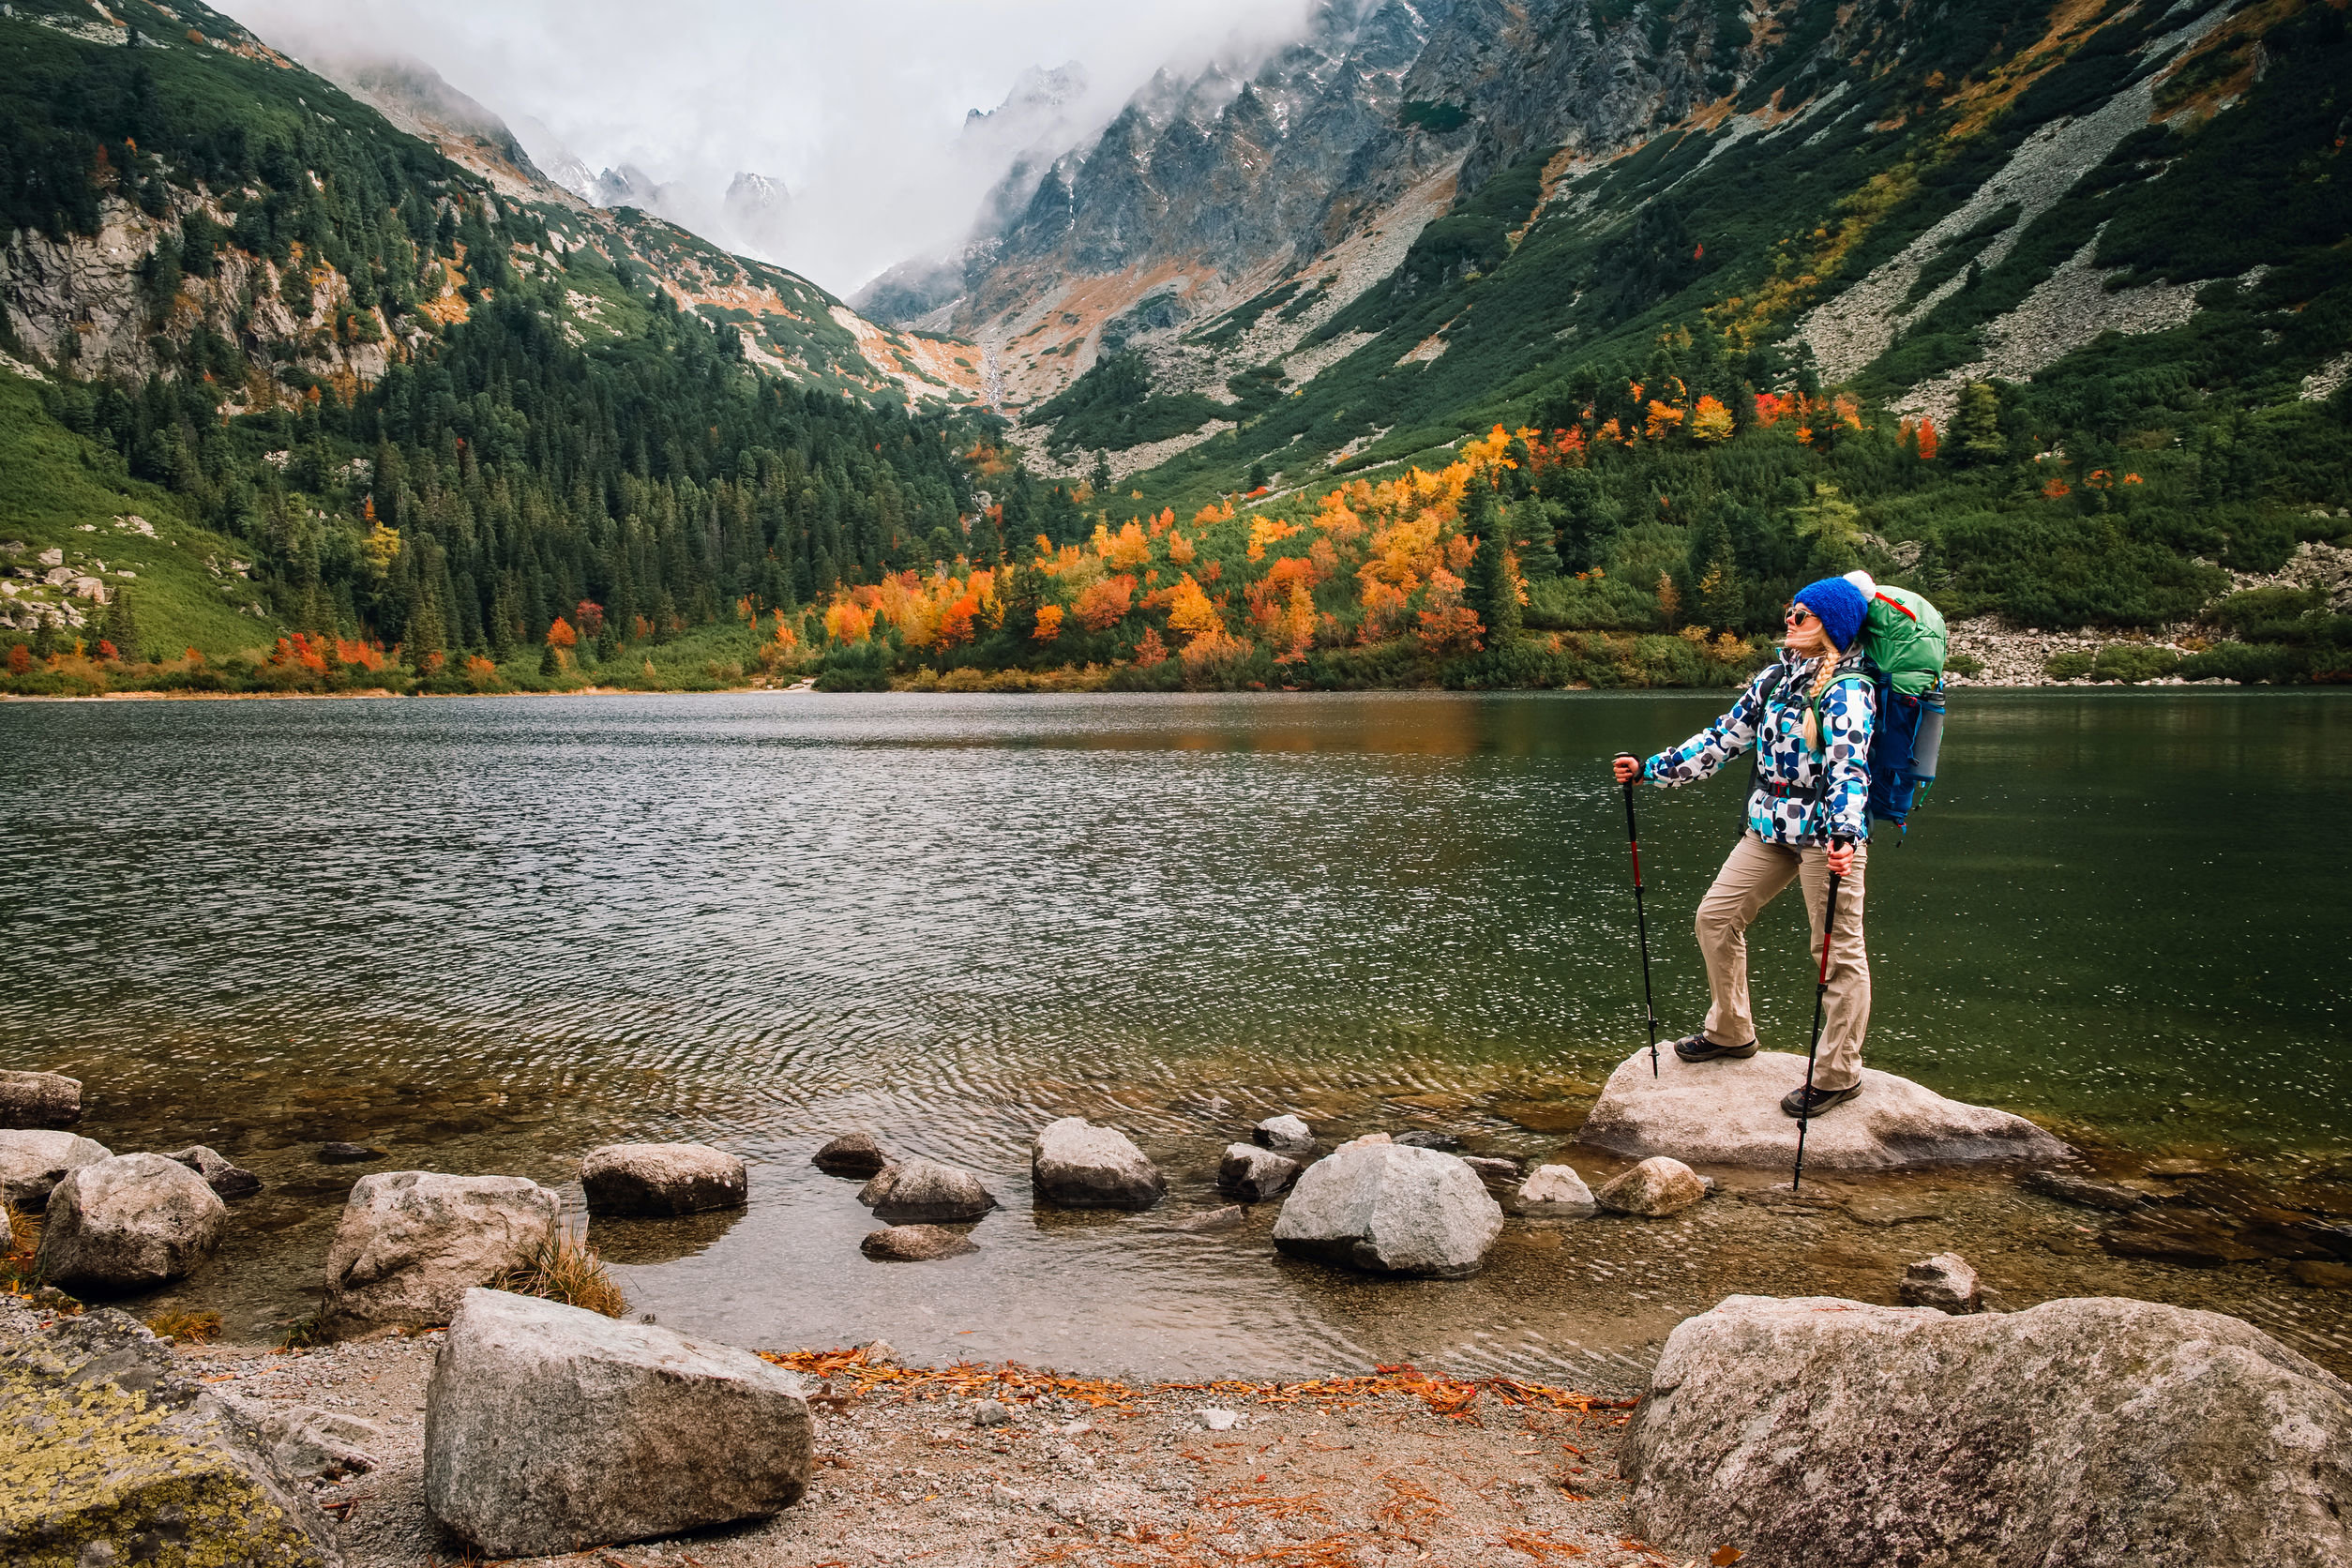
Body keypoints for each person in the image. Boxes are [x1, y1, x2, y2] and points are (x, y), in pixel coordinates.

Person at [1611, 574, 1878, 1118]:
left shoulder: (1849, 689)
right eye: (1789, 611)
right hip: (1769, 829)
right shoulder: (1775, 678)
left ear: (1830, 625)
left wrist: (1846, 835)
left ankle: (1838, 1073)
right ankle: (1731, 1031)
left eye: (1802, 614)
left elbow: (1850, 769)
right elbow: (1722, 738)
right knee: (1715, 919)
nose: (1790, 620)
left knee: (1836, 953)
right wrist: (1651, 769)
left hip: (1826, 835)